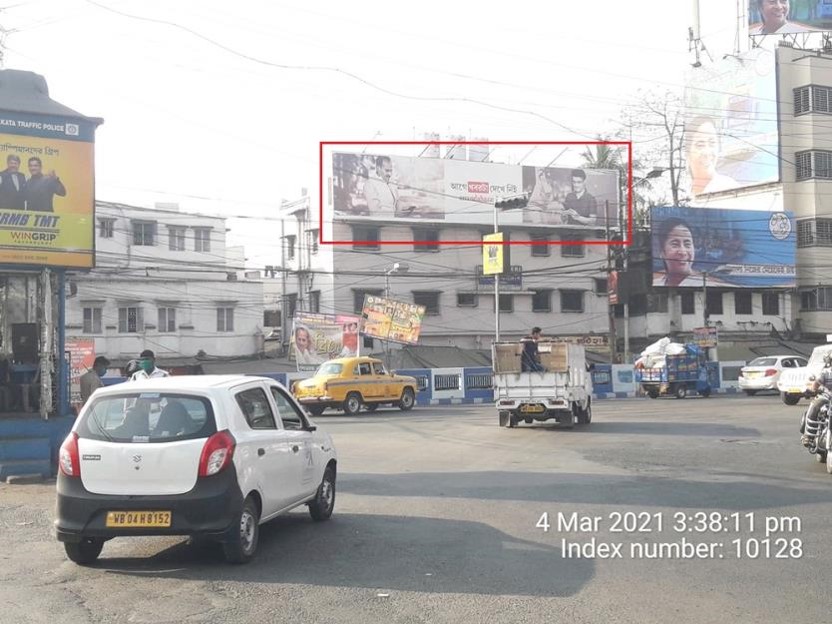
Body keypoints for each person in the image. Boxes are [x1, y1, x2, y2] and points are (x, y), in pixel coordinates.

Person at [685, 116, 738, 199]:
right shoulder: (682, 192)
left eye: (712, 143)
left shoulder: (729, 188)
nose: (707, 152)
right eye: (700, 145)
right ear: (687, 153)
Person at [801, 352, 832, 447]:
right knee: (814, 406)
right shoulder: (826, 373)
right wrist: (813, 390)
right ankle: (808, 436)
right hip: (826, 397)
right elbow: (816, 383)